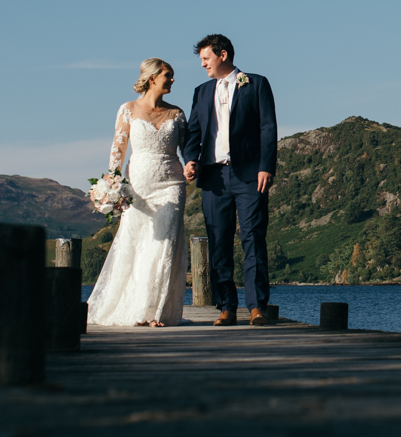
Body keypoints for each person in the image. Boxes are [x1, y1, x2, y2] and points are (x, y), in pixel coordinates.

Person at [181, 34, 278, 326]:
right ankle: (226, 306)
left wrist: (266, 166)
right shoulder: (201, 91)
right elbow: (193, 133)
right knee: (219, 243)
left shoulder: (256, 83)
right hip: (214, 178)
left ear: (222, 55)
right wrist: (190, 159)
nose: (203, 65)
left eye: (206, 59)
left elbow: (268, 127)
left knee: (253, 239)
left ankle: (257, 307)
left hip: (250, 176)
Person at [86, 58, 189, 327]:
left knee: (165, 244)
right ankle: (135, 307)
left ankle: (154, 312)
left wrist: (193, 165)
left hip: (171, 185)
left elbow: (189, 150)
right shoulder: (128, 109)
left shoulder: (177, 114)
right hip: (138, 188)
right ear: (153, 78)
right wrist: (112, 185)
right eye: (168, 75)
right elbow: (118, 150)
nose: (173, 80)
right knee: (140, 244)